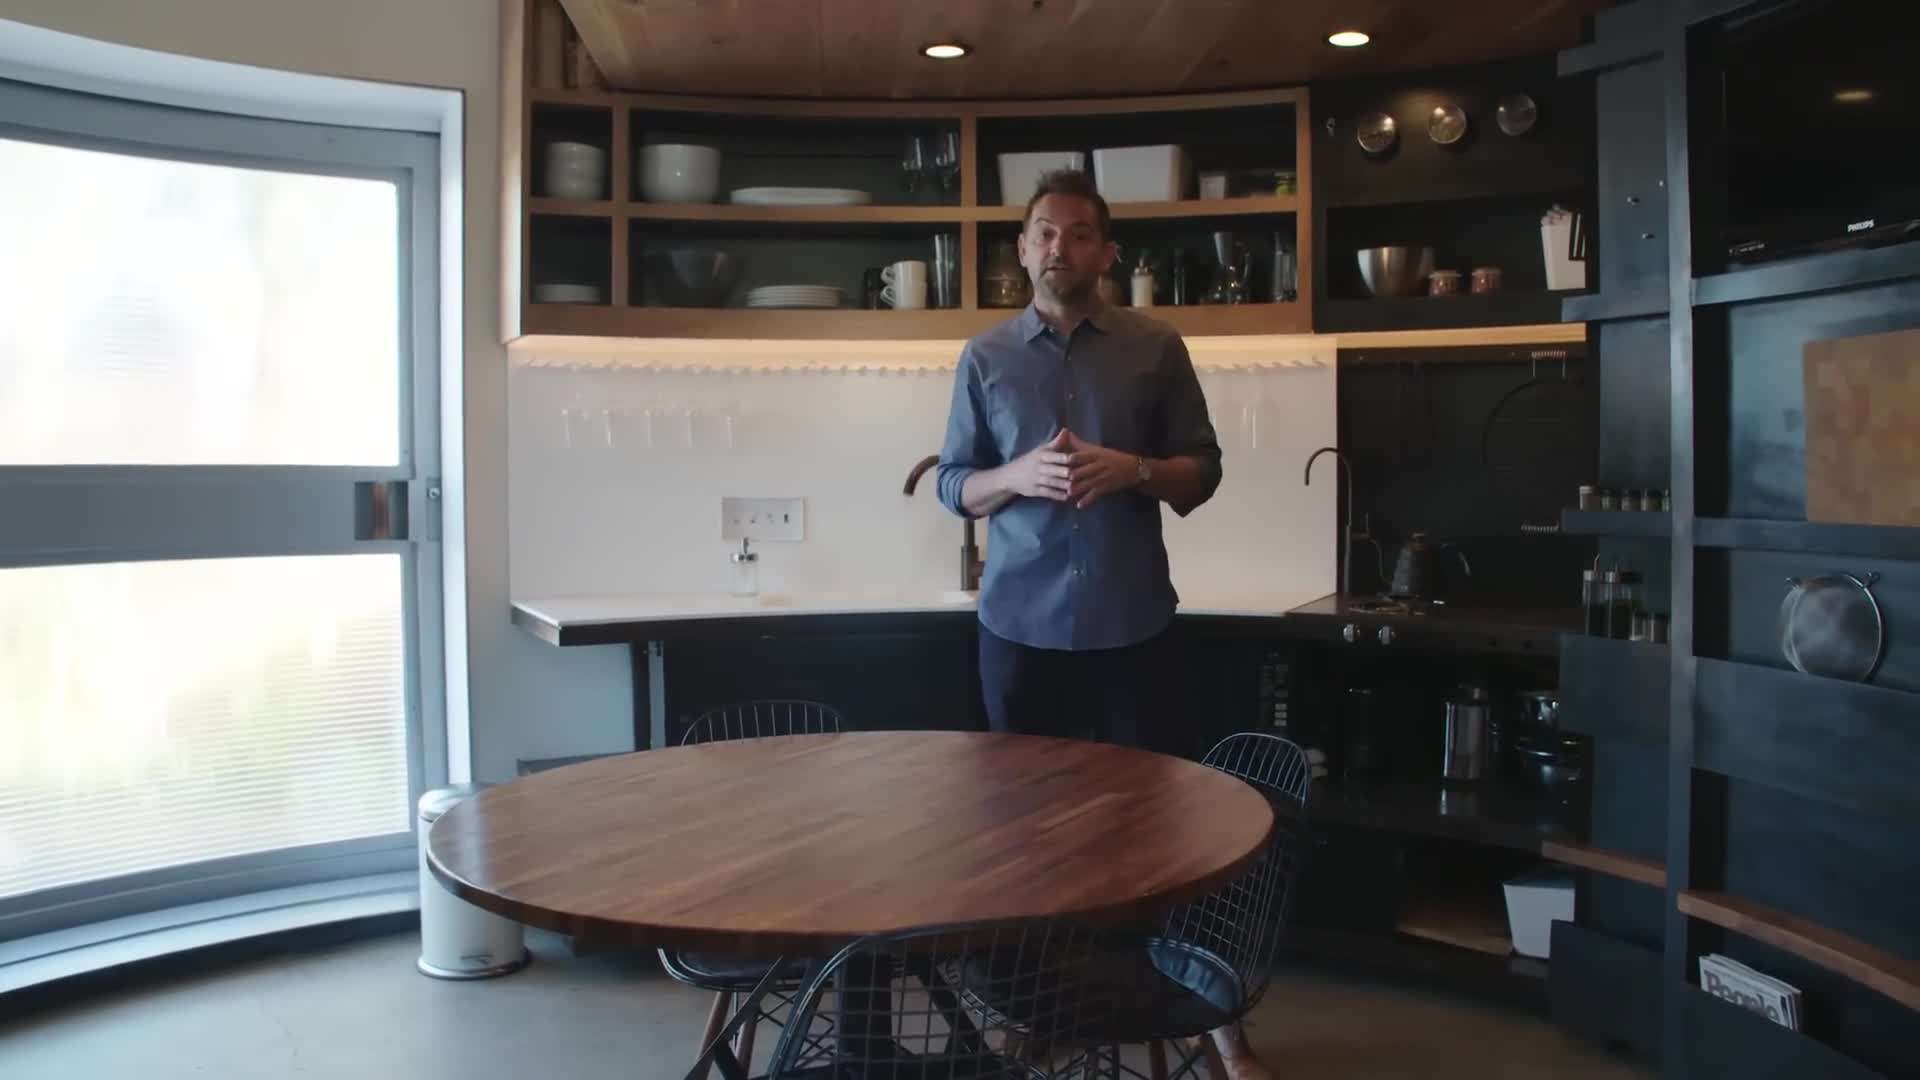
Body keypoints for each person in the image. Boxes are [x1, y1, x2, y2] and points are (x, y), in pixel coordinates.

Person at [933, 170, 1270, 1080]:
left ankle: (1213, 1025)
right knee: (1023, 836)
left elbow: (1203, 469)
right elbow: (951, 483)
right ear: (1022, 247)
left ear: (1106, 253)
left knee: (1169, 834)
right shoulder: (985, 357)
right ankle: (1042, 1010)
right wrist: (1014, 479)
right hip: (1019, 628)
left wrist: (1135, 470)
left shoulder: (1156, 348)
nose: (1059, 248)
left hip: (1132, 625)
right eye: (1045, 232)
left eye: (1080, 235)